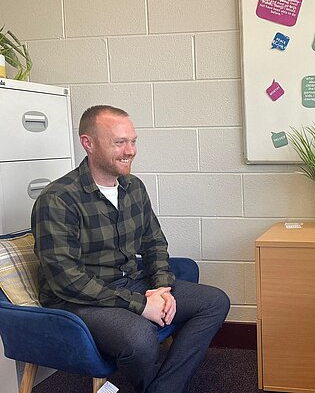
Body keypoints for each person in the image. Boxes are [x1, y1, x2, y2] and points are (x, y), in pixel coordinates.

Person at [31, 105, 230, 393]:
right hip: (78, 300)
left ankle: (164, 388)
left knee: (214, 301)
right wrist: (140, 304)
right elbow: (68, 280)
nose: (131, 150)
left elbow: (154, 243)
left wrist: (161, 288)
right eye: (119, 142)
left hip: (129, 282)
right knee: (139, 339)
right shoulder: (58, 200)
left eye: (133, 141)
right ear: (88, 143)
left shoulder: (133, 187)